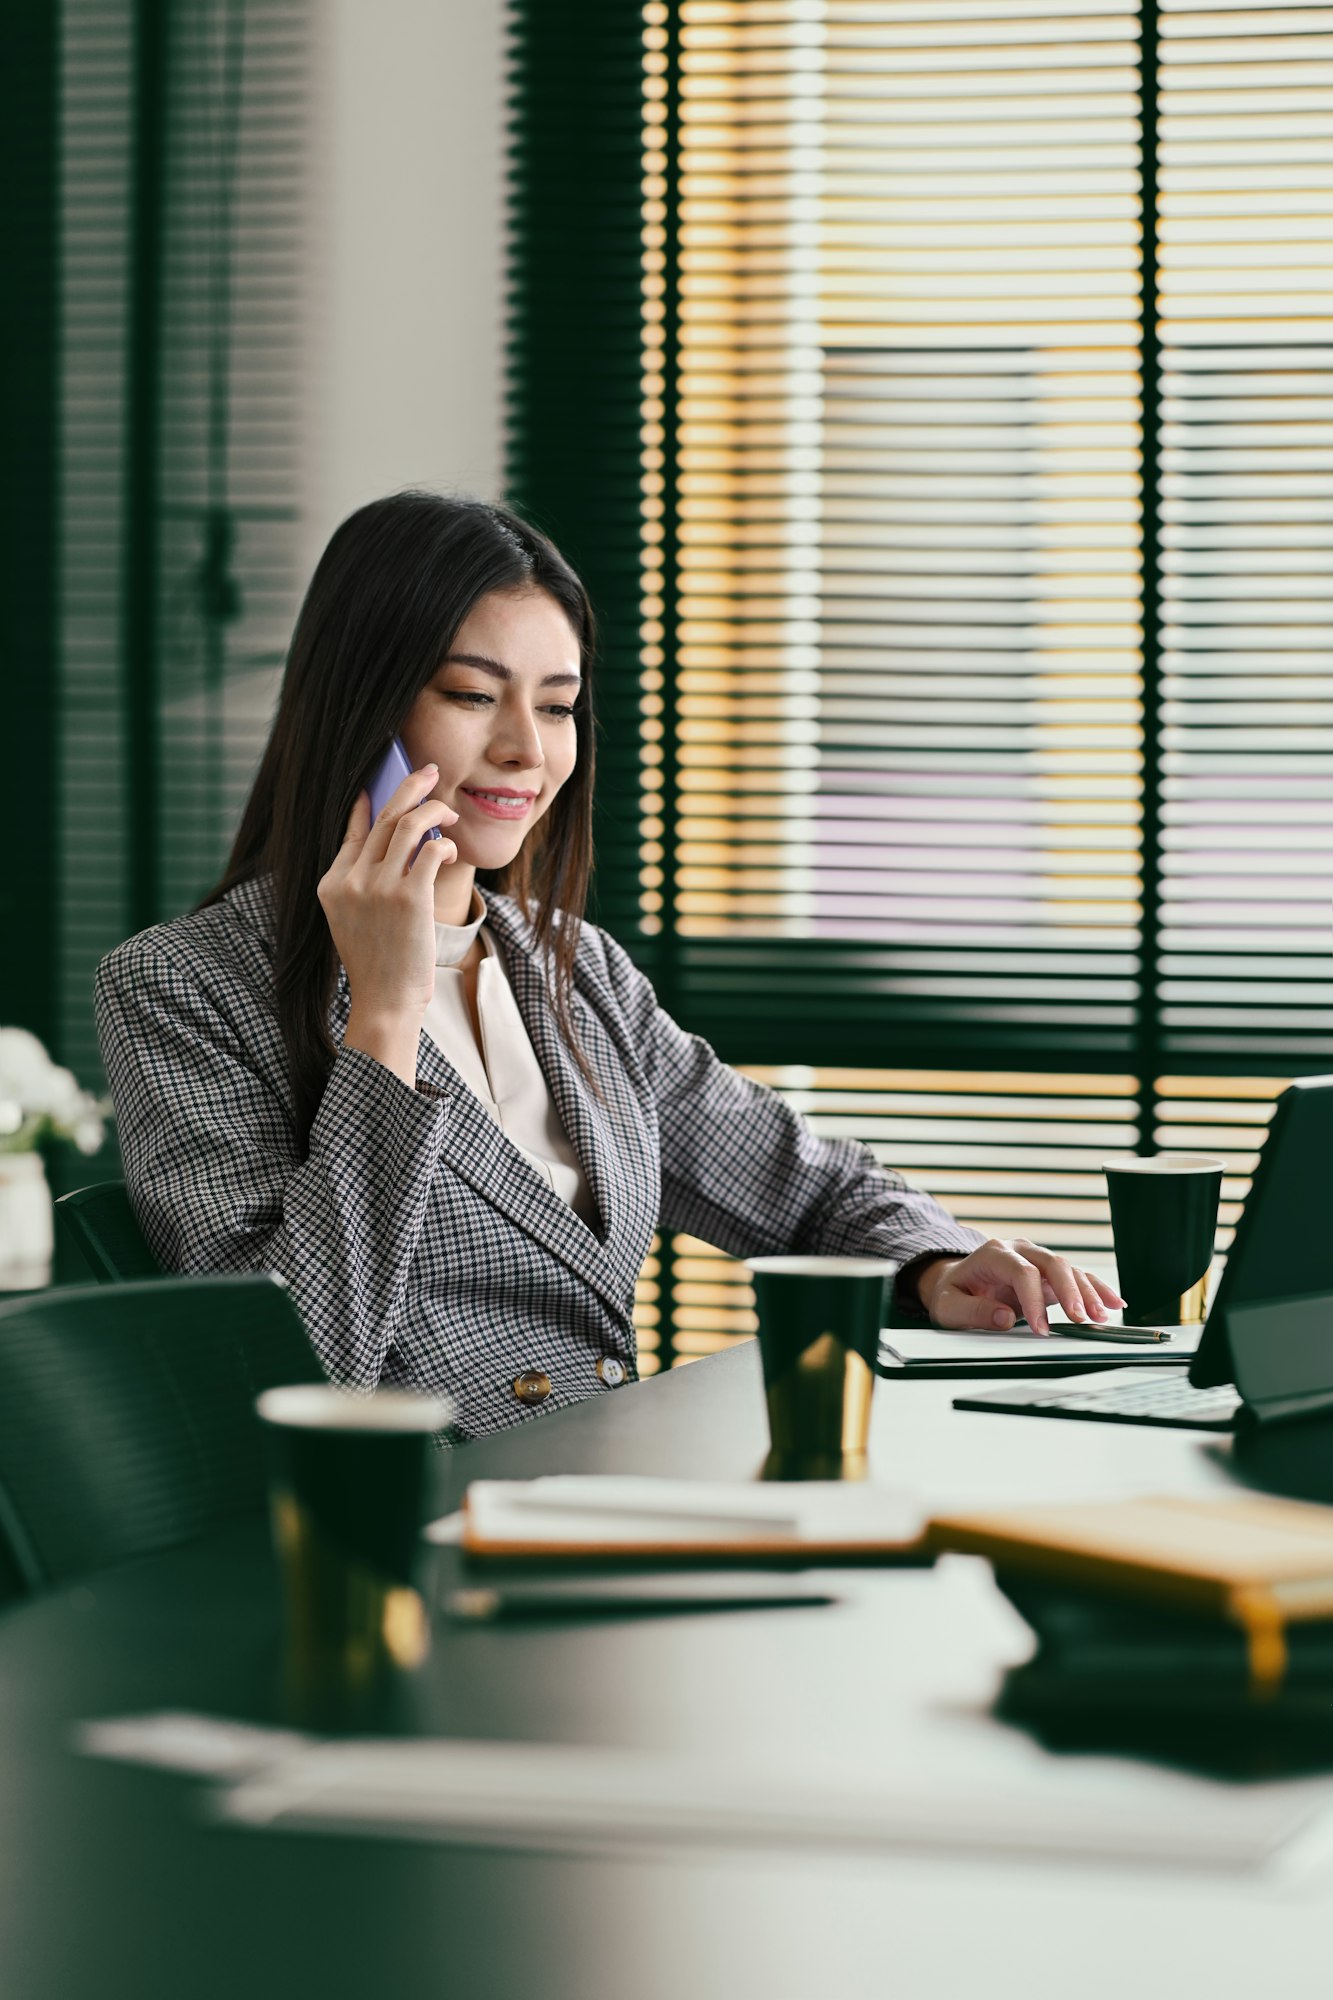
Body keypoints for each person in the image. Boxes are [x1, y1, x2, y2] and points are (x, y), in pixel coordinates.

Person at [97, 494, 1123, 1438]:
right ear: (361, 707)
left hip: (599, 1490)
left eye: (554, 706)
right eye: (470, 694)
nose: (525, 752)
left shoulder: (571, 968)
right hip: (404, 1534)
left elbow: (797, 1185)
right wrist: (386, 1013)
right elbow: (294, 1366)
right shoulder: (183, 988)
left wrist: (939, 1262)